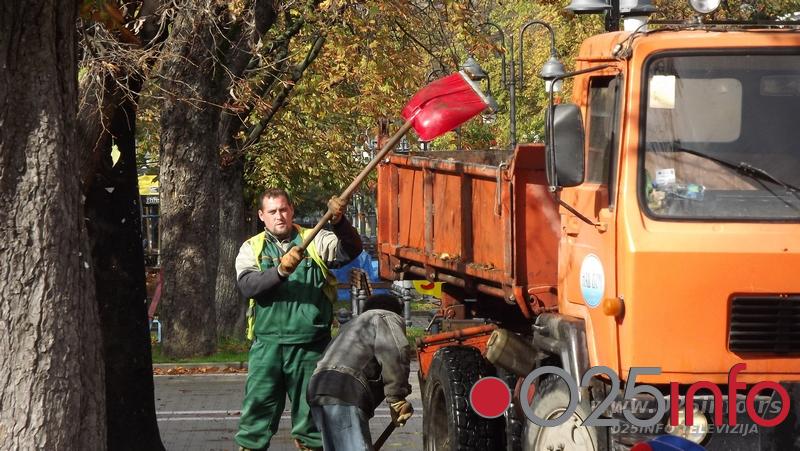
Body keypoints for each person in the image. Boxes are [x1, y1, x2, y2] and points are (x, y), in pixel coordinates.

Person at [234, 188, 362, 451]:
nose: (279, 216)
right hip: (266, 349)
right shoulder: (252, 247)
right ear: (262, 215)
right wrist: (280, 271)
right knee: (255, 422)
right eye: (272, 212)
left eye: (283, 209)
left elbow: (350, 251)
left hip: (310, 349)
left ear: (292, 210)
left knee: (311, 425)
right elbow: (248, 286)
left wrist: (339, 222)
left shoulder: (315, 239)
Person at [306, 294, 414, 451]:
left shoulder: (352, 325)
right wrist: (397, 398)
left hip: (317, 389)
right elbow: (395, 352)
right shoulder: (385, 316)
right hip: (343, 390)